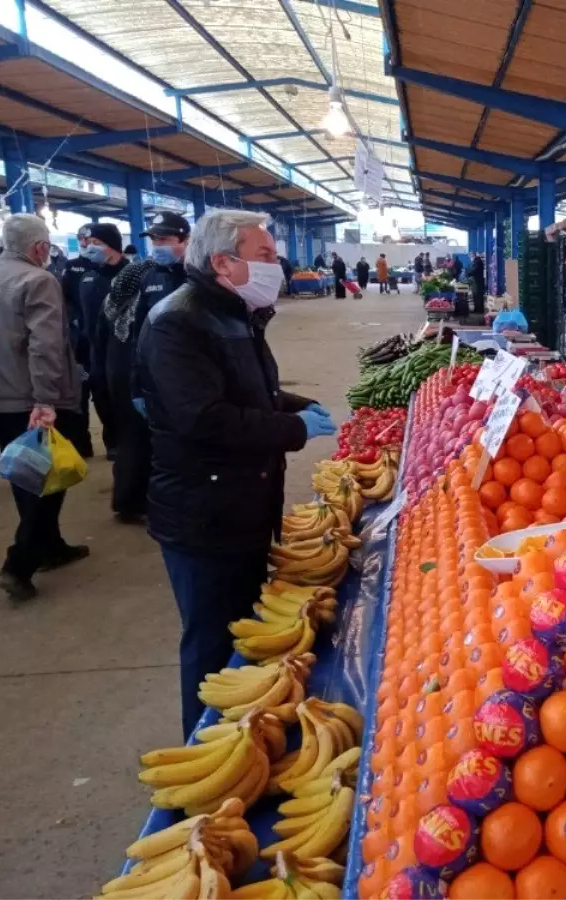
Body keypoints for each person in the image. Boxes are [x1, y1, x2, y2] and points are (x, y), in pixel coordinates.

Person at [135, 209, 335, 735]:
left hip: (241, 501)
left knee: (243, 630)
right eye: (265, 255)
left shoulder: (236, 311)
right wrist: (293, 430)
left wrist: (297, 405)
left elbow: (248, 390)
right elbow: (204, 417)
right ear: (224, 262)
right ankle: (204, 750)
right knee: (212, 644)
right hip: (203, 511)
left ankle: (247, 734)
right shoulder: (178, 321)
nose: (278, 265)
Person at [0, 214, 90, 600]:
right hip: (32, 398)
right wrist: (45, 401)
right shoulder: (38, 280)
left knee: (23, 475)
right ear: (40, 248)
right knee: (49, 476)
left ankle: (52, 545)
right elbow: (44, 345)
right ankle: (19, 562)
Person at [104, 211, 191, 522]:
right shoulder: (141, 272)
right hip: (143, 366)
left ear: (186, 240)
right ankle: (131, 503)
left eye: (165, 239)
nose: (158, 245)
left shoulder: (199, 272)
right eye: (154, 239)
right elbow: (116, 311)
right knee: (138, 437)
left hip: (184, 370)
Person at [78, 223, 129, 458]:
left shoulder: (133, 274)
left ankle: (130, 440)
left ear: (113, 247)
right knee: (101, 396)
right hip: (95, 352)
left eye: (97, 244)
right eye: (89, 243)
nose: (90, 248)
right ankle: (113, 442)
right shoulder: (88, 277)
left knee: (125, 397)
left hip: (124, 351)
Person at [60, 227, 95, 458]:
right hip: (78, 341)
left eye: (92, 240)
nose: (87, 243)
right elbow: (64, 300)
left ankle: (116, 441)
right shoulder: (72, 267)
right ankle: (82, 443)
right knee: (79, 394)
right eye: (83, 239)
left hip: (102, 340)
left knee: (107, 392)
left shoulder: (115, 268)